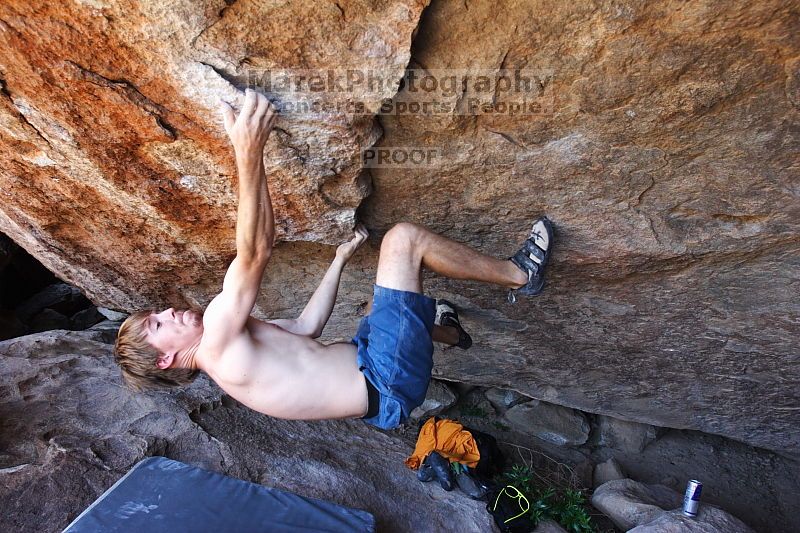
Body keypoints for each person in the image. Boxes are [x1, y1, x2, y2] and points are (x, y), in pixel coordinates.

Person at [113, 89, 554, 430]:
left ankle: (453, 336)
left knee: (373, 308)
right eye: (157, 325)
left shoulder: (230, 355)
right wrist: (248, 151)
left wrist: (340, 260)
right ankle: (520, 275)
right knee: (403, 242)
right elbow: (253, 253)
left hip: (378, 382)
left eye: (155, 314)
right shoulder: (218, 347)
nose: (167, 312)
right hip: (386, 377)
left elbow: (307, 329)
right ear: (166, 360)